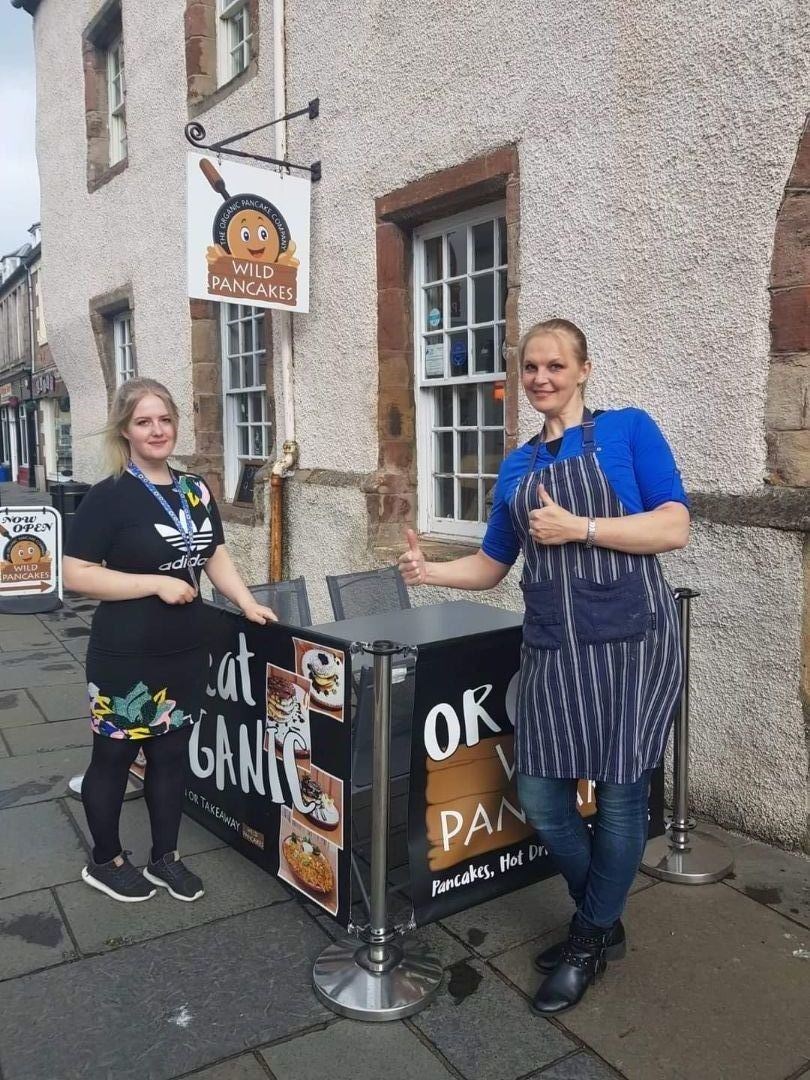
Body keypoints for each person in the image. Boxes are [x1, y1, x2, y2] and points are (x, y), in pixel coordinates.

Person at [399, 319, 689, 1014]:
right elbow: (494, 565)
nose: (541, 378)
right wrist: (428, 569)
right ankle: (602, 917)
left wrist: (582, 528)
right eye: (530, 367)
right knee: (540, 795)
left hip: (630, 643)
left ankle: (586, 938)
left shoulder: (627, 431)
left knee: (620, 794)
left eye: (555, 365)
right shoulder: (516, 467)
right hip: (555, 647)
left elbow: (674, 525)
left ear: (584, 369)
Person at [63, 378, 276, 904]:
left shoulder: (195, 489)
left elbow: (213, 555)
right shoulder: (109, 495)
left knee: (171, 756)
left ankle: (165, 857)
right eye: (143, 421)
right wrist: (154, 583)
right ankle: (106, 859)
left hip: (185, 649)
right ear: (126, 430)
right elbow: (75, 574)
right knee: (113, 757)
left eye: (164, 419)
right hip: (124, 652)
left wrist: (245, 602)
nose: (156, 430)